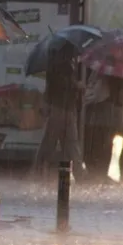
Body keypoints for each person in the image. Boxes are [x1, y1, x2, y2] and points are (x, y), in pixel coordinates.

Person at [33, 41, 85, 182]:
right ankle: (79, 175)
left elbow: (52, 89)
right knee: (67, 144)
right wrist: (77, 86)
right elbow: (64, 87)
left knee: (51, 142)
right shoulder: (64, 67)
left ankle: (39, 171)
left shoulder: (56, 66)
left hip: (61, 109)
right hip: (63, 110)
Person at [84, 73, 123, 184]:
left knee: (101, 144)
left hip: (101, 117)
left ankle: (98, 172)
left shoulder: (104, 78)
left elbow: (96, 95)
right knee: (102, 144)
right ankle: (98, 172)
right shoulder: (103, 77)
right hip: (101, 117)